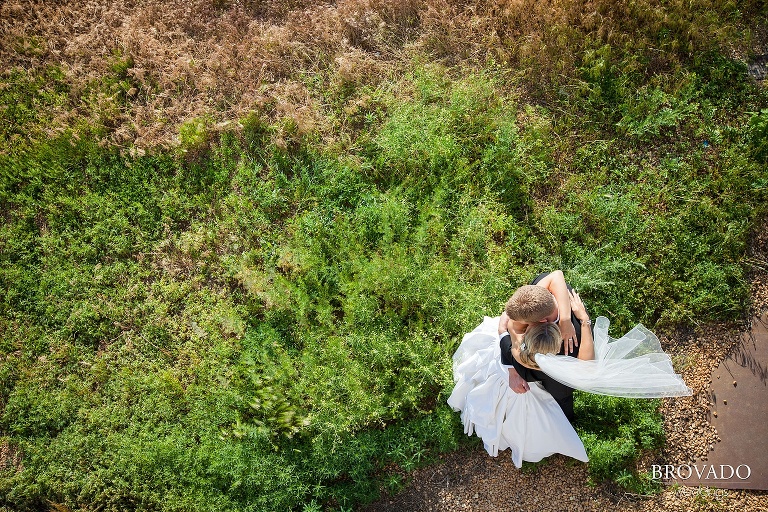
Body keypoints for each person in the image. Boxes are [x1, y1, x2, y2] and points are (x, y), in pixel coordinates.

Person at [447, 273, 691, 468]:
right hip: (564, 342)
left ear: (538, 323)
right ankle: (566, 415)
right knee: (563, 396)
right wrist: (582, 319)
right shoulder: (542, 302)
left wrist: (510, 335)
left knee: (560, 394)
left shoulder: (528, 360)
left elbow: (508, 331)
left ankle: (565, 416)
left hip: (541, 364)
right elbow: (587, 367)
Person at [500, 271, 588, 421]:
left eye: (521, 321)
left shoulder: (568, 344)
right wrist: (566, 319)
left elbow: (512, 337)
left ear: (541, 321)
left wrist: (504, 332)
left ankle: (565, 418)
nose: (511, 321)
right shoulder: (538, 297)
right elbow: (557, 275)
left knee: (561, 395)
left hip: (561, 379)